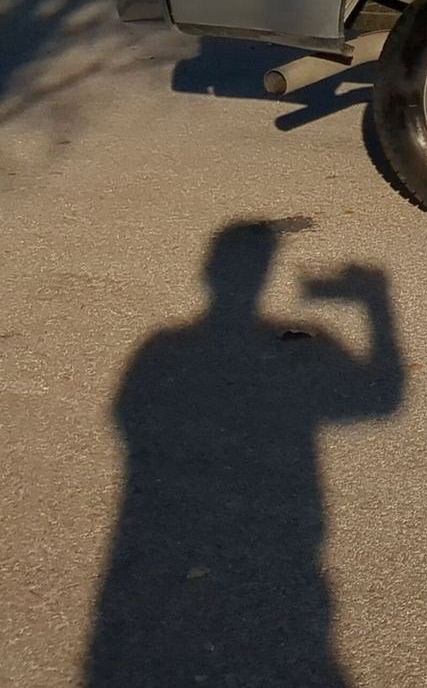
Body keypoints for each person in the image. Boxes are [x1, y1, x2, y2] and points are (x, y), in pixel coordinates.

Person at [85, 221, 404, 688]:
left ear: (207, 273)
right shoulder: (165, 352)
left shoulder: (160, 352)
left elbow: (129, 422)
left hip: (156, 552)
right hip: (286, 554)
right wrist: (377, 304)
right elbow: (382, 400)